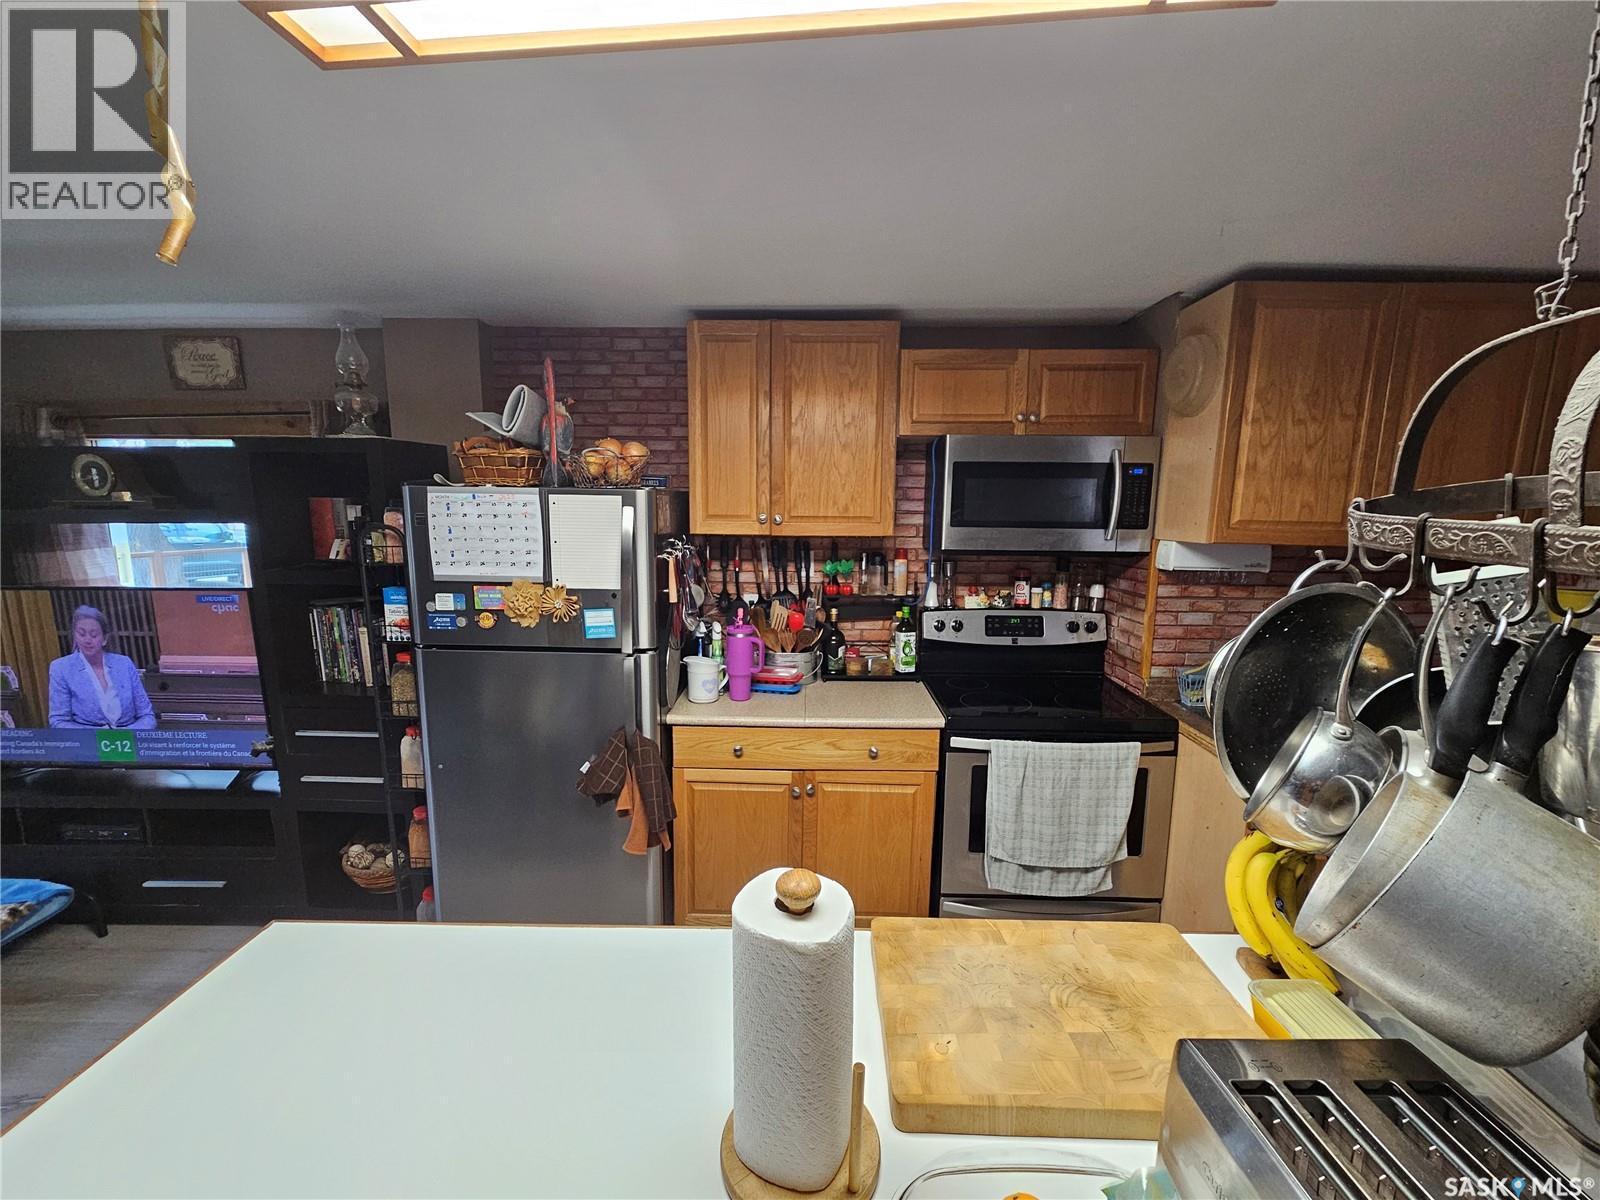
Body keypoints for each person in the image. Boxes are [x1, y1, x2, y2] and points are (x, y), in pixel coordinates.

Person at [47, 606, 157, 730]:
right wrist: (102, 736)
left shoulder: (124, 664)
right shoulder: (61, 668)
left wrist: (126, 734)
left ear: (104, 639)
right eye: (81, 634)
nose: (87, 640)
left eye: (94, 635)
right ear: (75, 636)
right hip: (88, 743)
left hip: (128, 740)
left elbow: (147, 716)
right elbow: (58, 721)